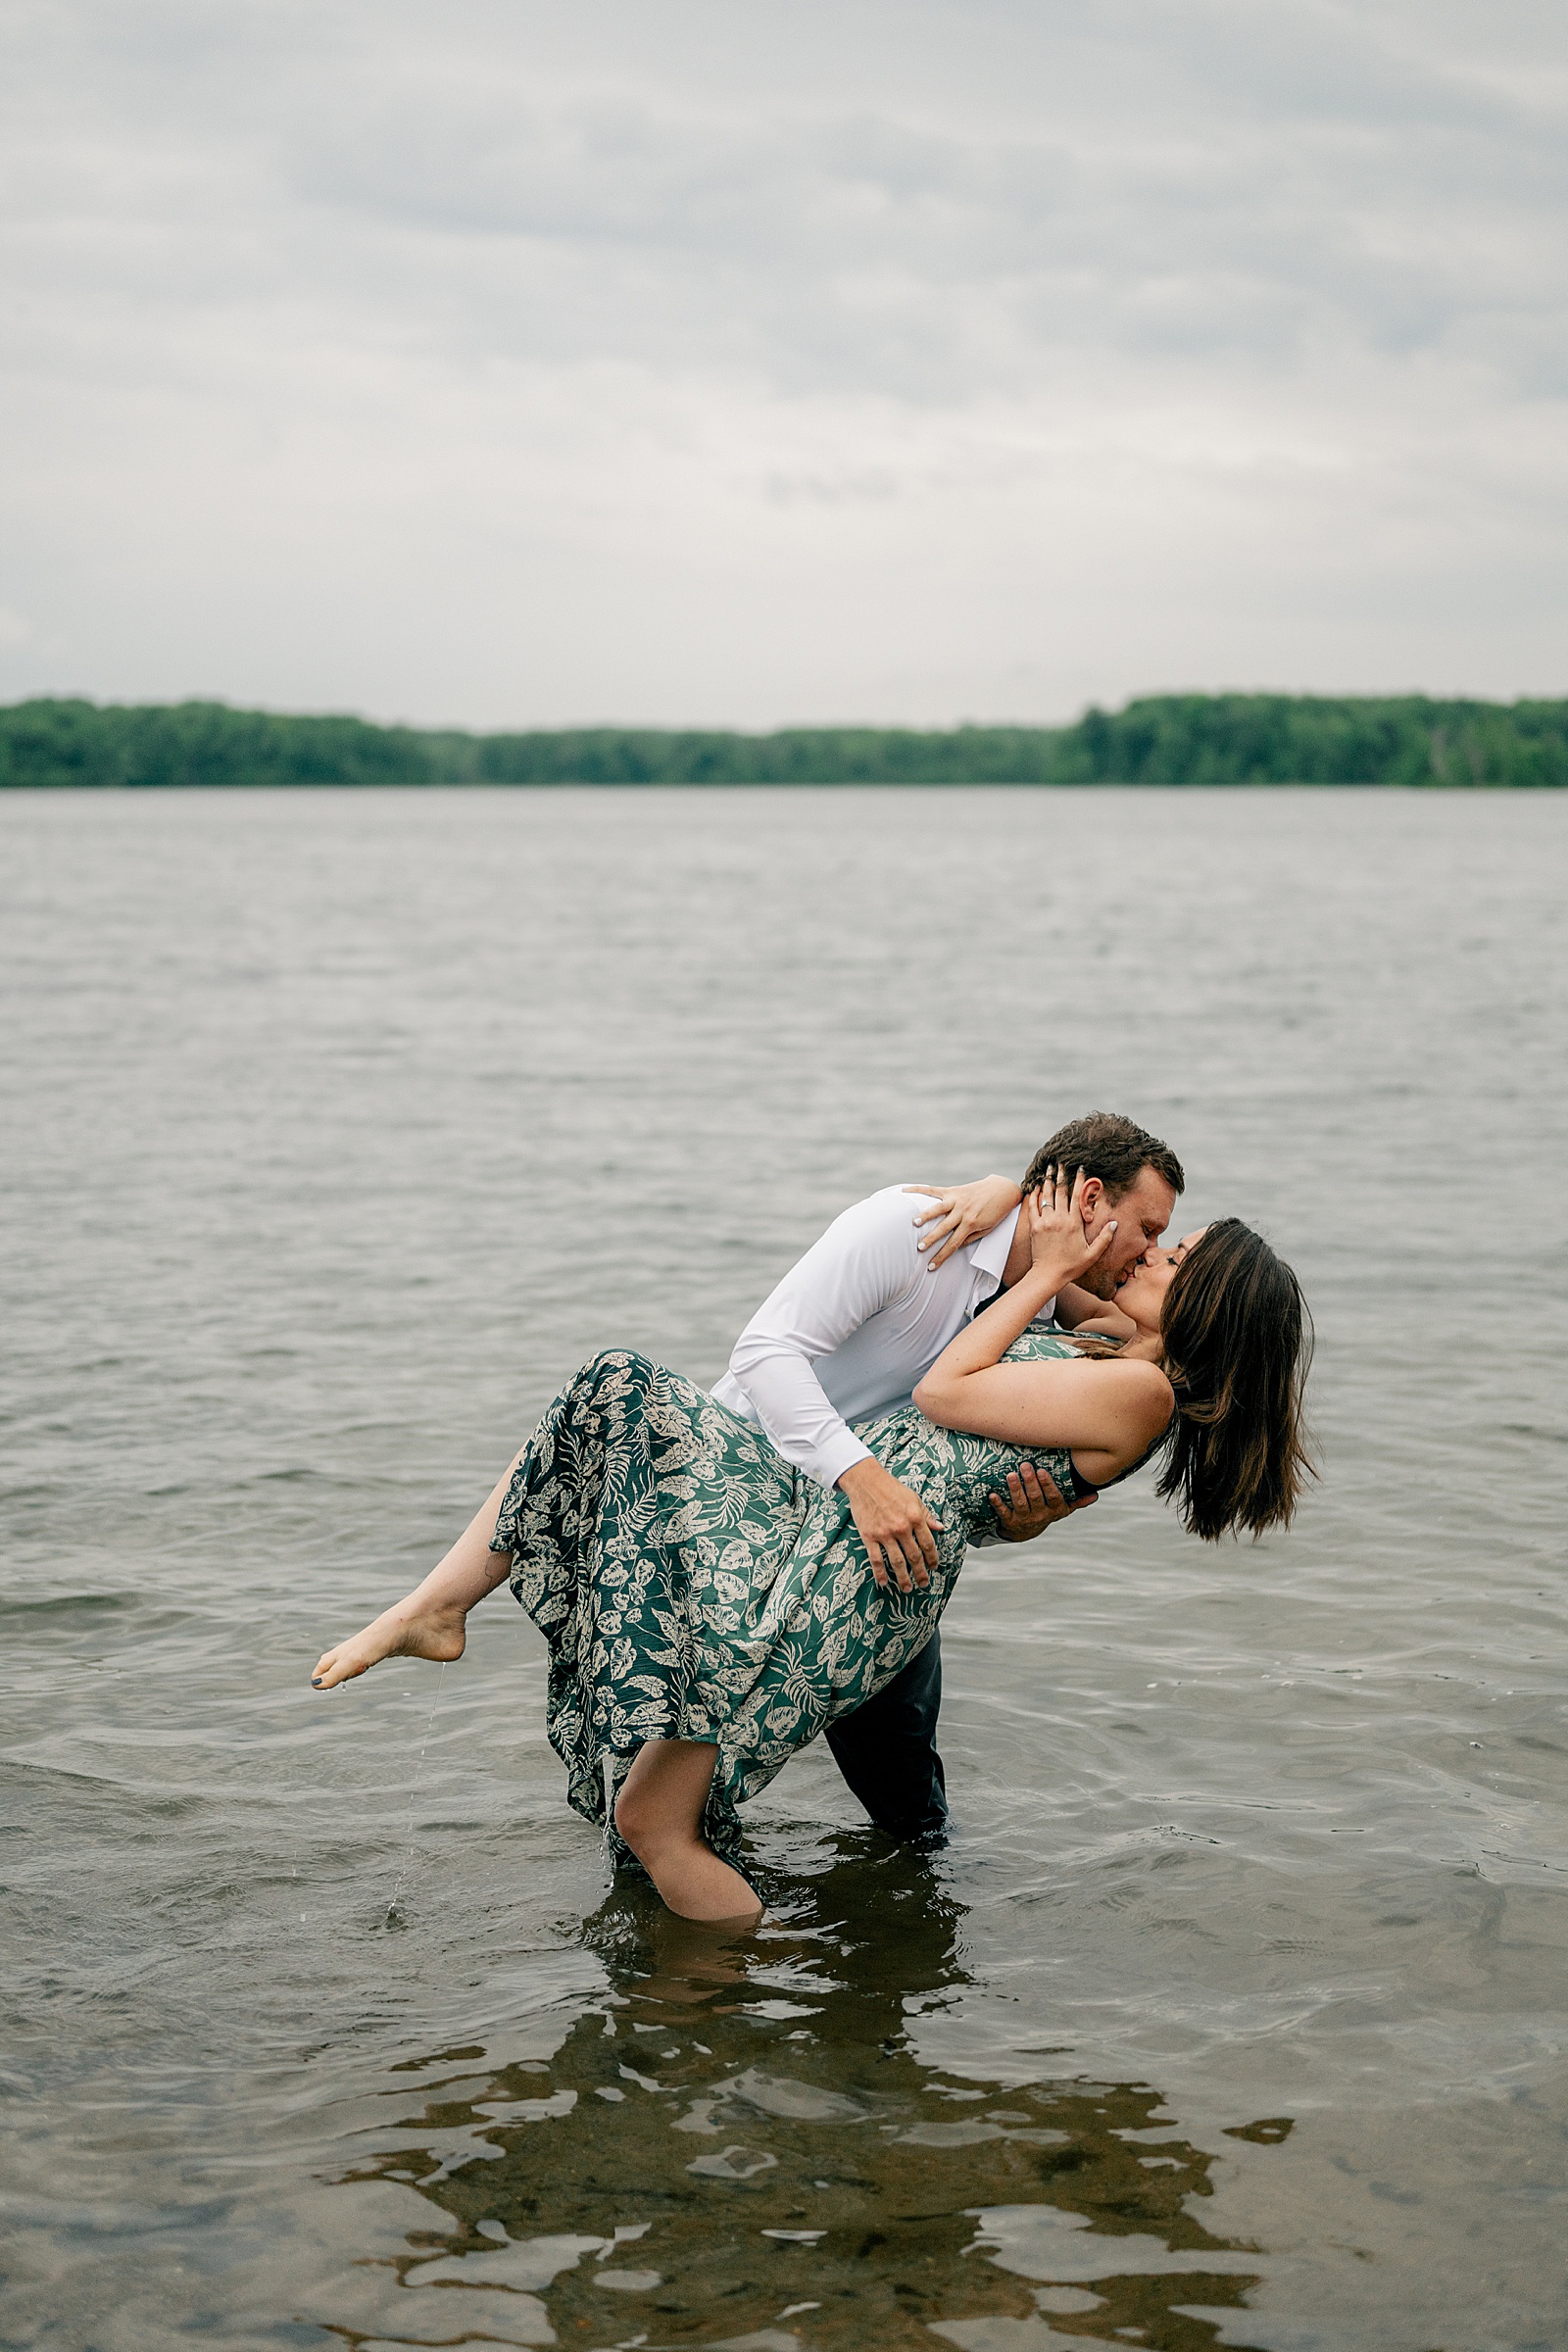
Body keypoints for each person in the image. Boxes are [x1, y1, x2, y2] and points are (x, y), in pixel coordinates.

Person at [311, 1167, 1312, 1928]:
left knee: (654, 1823)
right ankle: (792, 1981)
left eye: (1175, 1259)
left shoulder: (1137, 1389)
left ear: (1209, 1310)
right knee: (609, 1397)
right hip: (833, 1546)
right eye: (1155, 1237)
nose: (1149, 1255)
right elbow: (1035, 1271)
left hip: (857, 1582)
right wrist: (1008, 1199)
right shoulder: (1112, 1353)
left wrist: (1048, 1269)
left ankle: (738, 1996)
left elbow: (944, 1392)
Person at [710, 1110, 1187, 1844]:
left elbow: (960, 1451)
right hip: (755, 1500)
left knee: (910, 1815)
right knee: (694, 1756)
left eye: (1165, 1245)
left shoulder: (1064, 1310)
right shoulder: (916, 1230)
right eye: (1150, 1233)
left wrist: (1015, 1519)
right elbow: (765, 1353)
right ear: (1090, 1202)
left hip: (894, 1549)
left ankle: (900, 1938)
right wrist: (860, 1480)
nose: (1149, 1253)